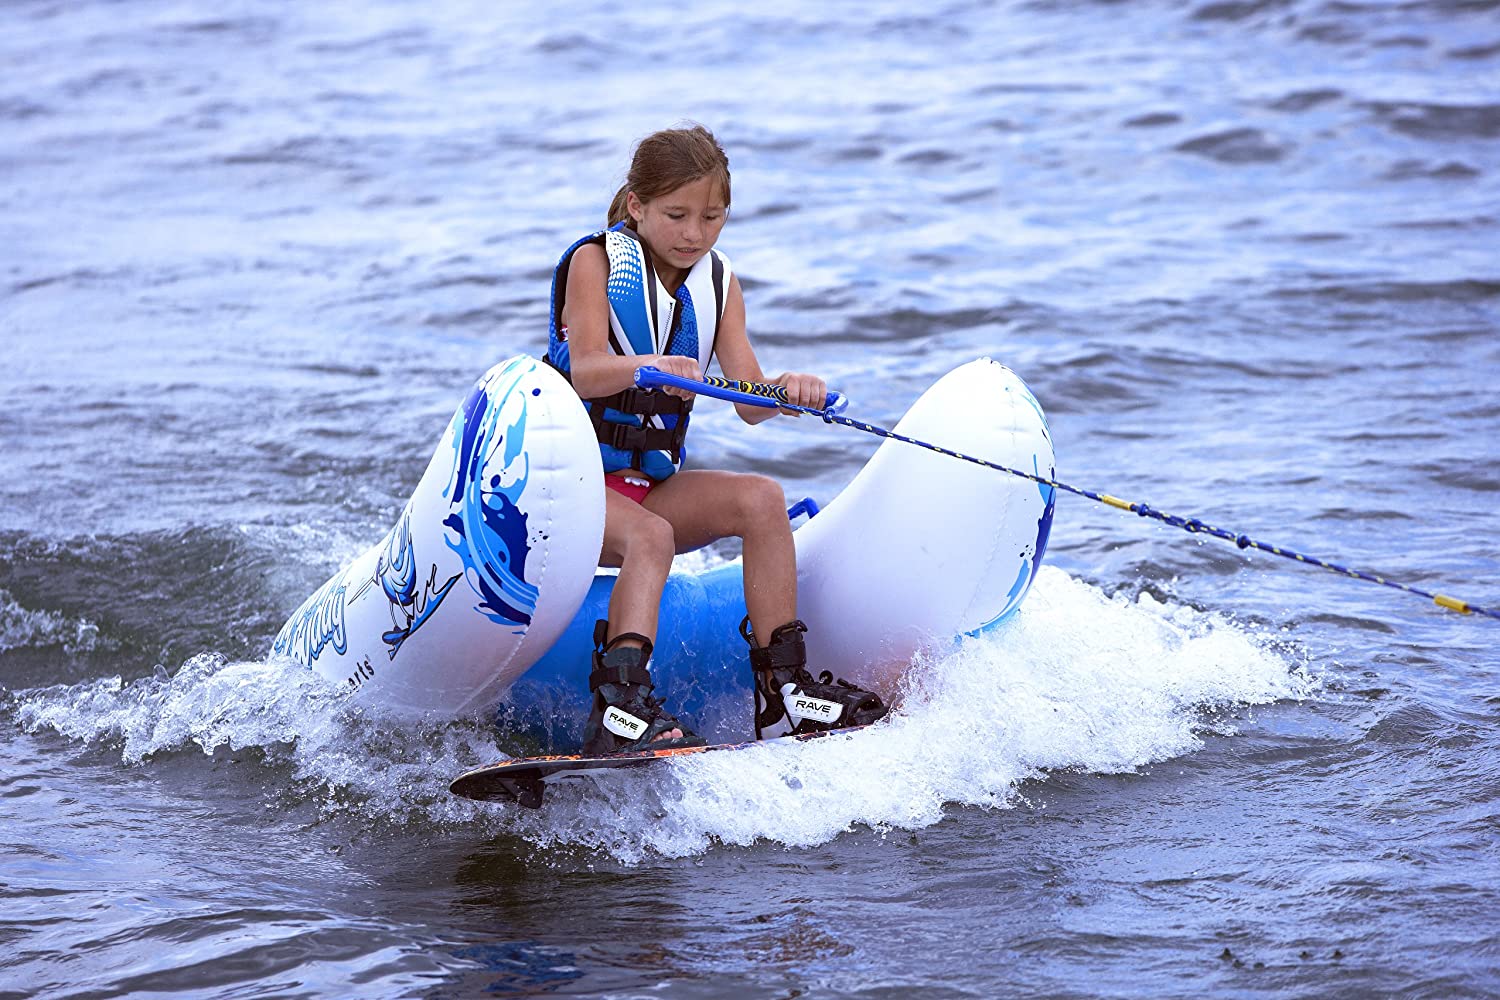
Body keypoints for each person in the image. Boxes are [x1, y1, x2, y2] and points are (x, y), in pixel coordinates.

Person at [545, 124, 888, 756]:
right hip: (568, 489)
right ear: (636, 206)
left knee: (761, 499)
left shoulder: (718, 283)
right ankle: (619, 707)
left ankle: (784, 694)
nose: (694, 234)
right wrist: (648, 366)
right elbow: (587, 370)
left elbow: (749, 401)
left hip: (647, 485)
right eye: (676, 215)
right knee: (653, 537)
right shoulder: (595, 263)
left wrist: (787, 390)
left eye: (712, 217)